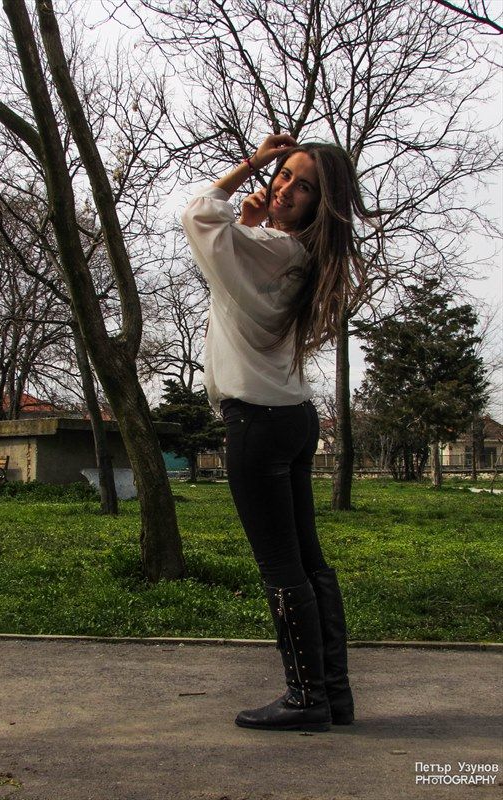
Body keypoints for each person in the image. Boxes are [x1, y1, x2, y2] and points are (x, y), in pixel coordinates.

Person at [181, 133, 375, 732]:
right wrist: (249, 221)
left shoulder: (275, 249)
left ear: (322, 203)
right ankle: (332, 694)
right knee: (309, 562)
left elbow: (199, 216)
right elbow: (231, 281)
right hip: (291, 418)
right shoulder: (297, 255)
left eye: (303, 185)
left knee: (281, 567)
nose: (285, 188)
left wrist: (255, 162)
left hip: (258, 423)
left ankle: (305, 697)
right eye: (284, 174)